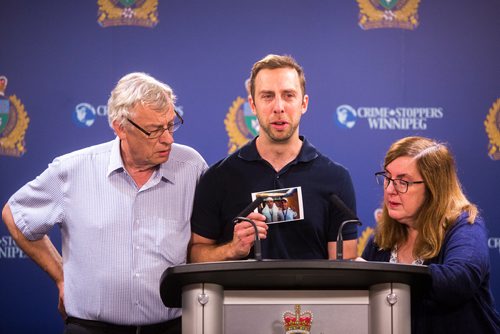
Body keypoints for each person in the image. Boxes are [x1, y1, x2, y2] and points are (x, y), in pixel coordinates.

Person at [2, 72, 208, 334]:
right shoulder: (72, 170)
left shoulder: (191, 167)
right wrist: (61, 276)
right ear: (120, 127)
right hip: (91, 328)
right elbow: (15, 215)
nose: (168, 138)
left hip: (172, 327)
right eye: (155, 130)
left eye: (171, 125)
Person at [189, 54, 358, 262]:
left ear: (304, 103)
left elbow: (345, 269)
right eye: (268, 96)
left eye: (288, 95)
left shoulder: (335, 179)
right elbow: (195, 256)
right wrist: (232, 249)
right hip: (241, 296)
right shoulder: (217, 178)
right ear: (252, 105)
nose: (279, 107)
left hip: (311, 296)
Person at [361, 136, 500, 333]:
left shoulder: (464, 226)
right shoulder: (383, 236)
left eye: (403, 182)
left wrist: (379, 276)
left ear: (434, 188)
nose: (390, 189)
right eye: (388, 178)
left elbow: (458, 280)